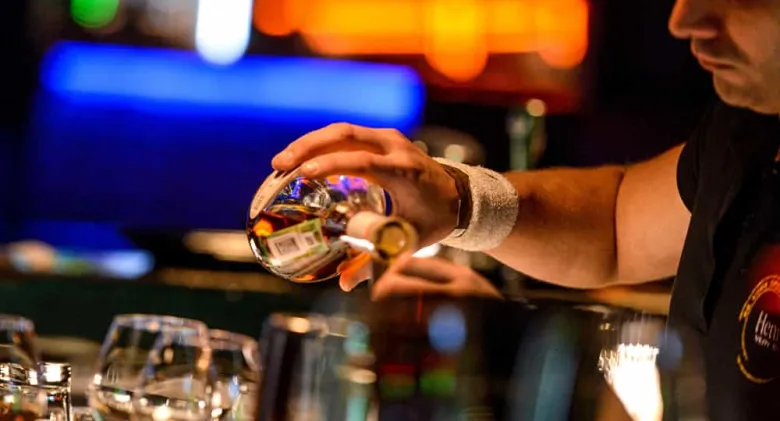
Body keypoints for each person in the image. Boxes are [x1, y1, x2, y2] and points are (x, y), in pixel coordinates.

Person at [272, 0, 780, 418]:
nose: (683, 21)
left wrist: (503, 353)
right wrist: (460, 202)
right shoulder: (751, 122)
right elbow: (617, 224)